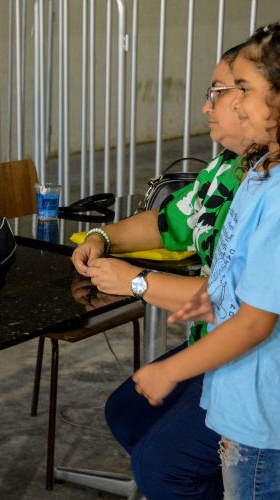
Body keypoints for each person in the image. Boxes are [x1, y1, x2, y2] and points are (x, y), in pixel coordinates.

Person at [71, 44, 247, 499]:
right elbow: (169, 222)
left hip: (247, 357)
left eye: (220, 91)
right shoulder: (227, 168)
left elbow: (236, 300)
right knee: (129, 412)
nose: (207, 106)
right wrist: (102, 237)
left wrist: (136, 281)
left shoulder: (266, 186)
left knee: (161, 467)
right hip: (215, 341)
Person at [133, 22, 280, 499]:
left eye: (244, 89)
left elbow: (256, 322)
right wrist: (212, 299)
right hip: (237, 402)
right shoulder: (258, 171)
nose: (233, 104)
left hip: (263, 419)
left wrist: (169, 370)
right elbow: (235, 275)